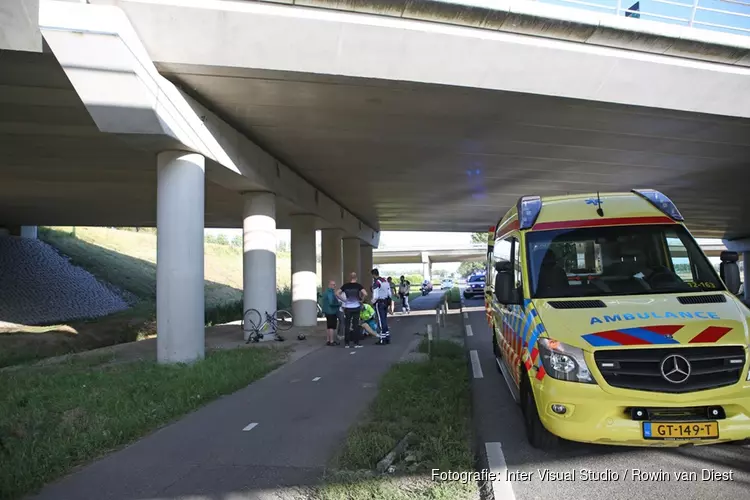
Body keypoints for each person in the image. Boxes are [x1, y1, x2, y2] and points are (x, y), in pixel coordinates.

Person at [338, 272, 367, 348]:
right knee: (355, 325)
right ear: (356, 278)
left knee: (347, 325)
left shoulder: (345, 286)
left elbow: (337, 293)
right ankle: (356, 343)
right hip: (356, 307)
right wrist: (361, 300)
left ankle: (347, 344)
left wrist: (344, 300)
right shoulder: (358, 286)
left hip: (348, 308)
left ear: (349, 278)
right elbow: (365, 293)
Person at [370, 268, 391, 344]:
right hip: (386, 301)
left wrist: (372, 302)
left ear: (373, 275)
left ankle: (382, 339)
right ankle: (387, 337)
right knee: (384, 320)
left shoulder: (376, 282)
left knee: (380, 321)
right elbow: (389, 294)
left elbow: (375, 296)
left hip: (379, 303)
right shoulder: (385, 281)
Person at [321, 279, 341, 346]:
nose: (334, 286)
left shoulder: (325, 292)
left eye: (334, 284)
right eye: (333, 284)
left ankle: (328, 340)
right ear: (329, 285)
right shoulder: (330, 293)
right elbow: (331, 303)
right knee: (332, 327)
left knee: (328, 326)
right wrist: (339, 304)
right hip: (332, 311)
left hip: (327, 311)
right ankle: (332, 341)